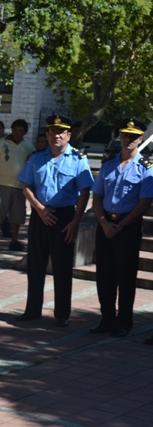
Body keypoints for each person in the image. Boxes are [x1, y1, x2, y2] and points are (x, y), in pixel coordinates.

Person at [16, 115, 94, 326]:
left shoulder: (79, 160)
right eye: (52, 132)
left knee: (62, 267)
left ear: (69, 135)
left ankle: (62, 314)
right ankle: (32, 310)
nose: (56, 136)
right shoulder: (36, 158)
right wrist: (39, 209)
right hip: (40, 216)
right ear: (47, 135)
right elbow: (26, 186)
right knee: (35, 265)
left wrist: (76, 222)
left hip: (64, 218)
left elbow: (85, 192)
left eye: (61, 132)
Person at [90, 117, 153, 338]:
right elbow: (97, 197)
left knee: (125, 276)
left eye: (133, 137)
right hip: (106, 224)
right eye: (125, 135)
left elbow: (145, 202)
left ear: (140, 139)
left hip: (128, 226)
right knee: (104, 275)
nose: (128, 139)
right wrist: (104, 223)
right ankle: (106, 319)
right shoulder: (108, 164)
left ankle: (124, 322)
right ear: (120, 136)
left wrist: (121, 225)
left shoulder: (147, 167)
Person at [0, 119, 34, 252]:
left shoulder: (28, 147)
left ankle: (14, 241)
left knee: (16, 216)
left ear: (25, 132)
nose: (17, 133)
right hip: (2, 184)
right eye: (15, 130)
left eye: (20, 131)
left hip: (19, 186)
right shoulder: (2, 143)